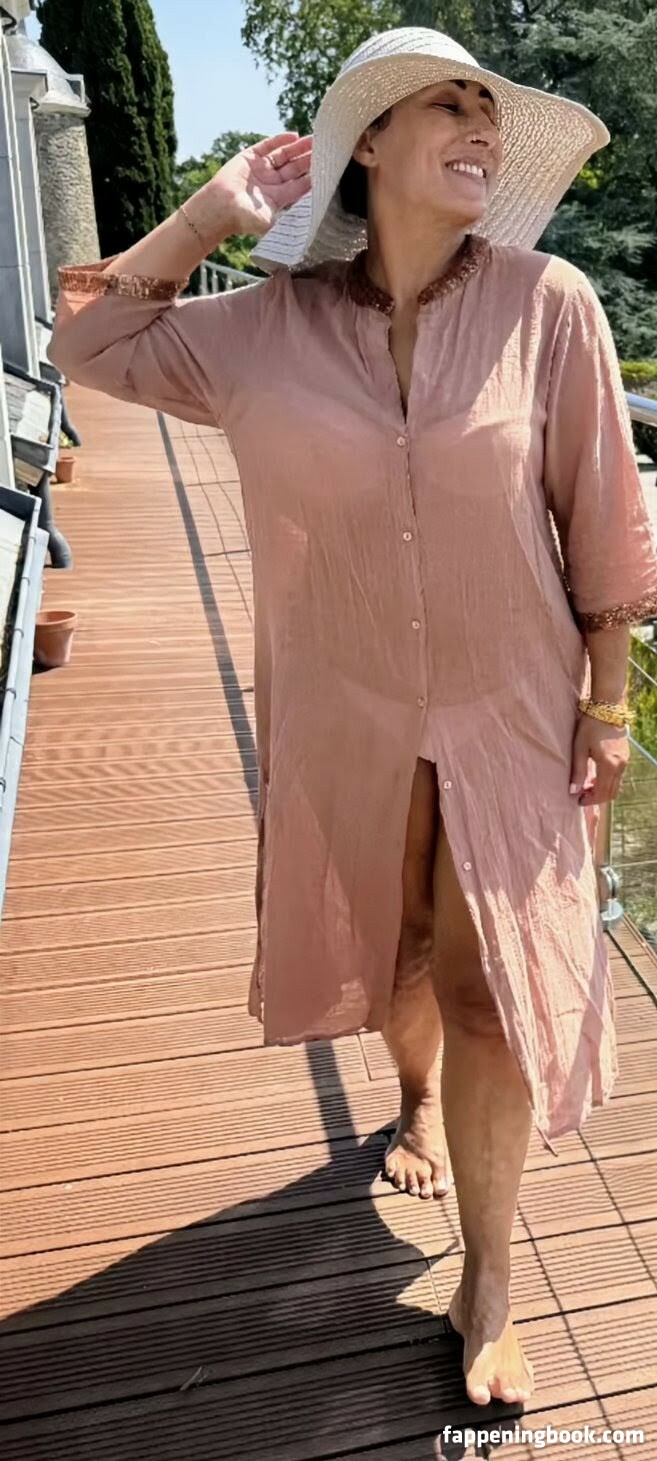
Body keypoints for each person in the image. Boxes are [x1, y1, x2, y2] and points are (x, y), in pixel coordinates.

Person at [48, 26, 657, 1412]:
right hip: (347, 706)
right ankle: (412, 1099)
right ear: (367, 144)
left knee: (492, 991)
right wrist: (210, 214)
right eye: (445, 103)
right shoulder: (261, 329)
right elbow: (88, 340)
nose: (479, 125)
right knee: (401, 957)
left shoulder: (548, 304)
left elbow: (603, 509)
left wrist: (610, 699)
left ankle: (488, 1281)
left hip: (513, 708)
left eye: (488, 108)